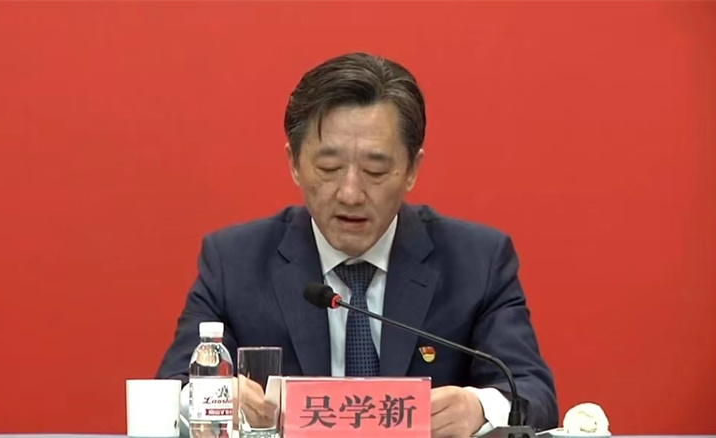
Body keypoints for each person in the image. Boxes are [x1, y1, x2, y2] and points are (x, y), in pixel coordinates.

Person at [157, 52, 558, 437]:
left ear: (412, 169)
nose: (350, 193)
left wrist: (478, 408)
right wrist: (211, 396)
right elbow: (172, 388)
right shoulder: (234, 262)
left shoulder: (477, 262)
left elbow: (533, 392)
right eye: (329, 168)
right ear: (294, 164)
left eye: (375, 170)